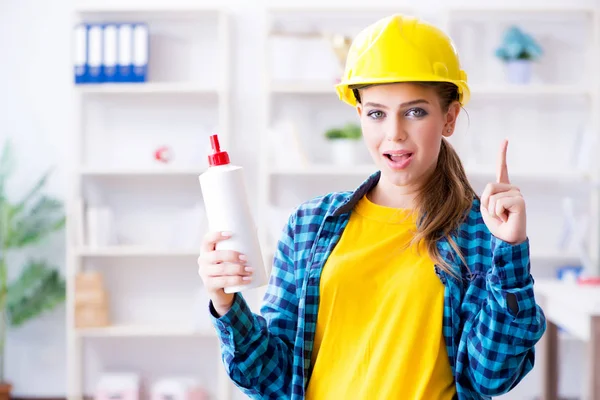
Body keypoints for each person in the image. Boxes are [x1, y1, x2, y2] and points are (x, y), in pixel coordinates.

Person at [198, 13, 546, 400]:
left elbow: (491, 378)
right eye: (377, 113)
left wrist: (511, 254)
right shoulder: (311, 224)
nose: (394, 133)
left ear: (448, 118)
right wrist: (225, 303)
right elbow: (274, 379)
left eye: (415, 111)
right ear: (360, 115)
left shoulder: (481, 231)